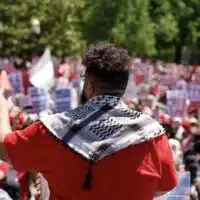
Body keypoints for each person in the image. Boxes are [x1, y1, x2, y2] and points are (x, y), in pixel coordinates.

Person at [0, 42, 177, 200]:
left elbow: (5, 149)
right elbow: (163, 188)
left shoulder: (53, 130)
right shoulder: (153, 135)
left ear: (90, 86)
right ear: (122, 87)